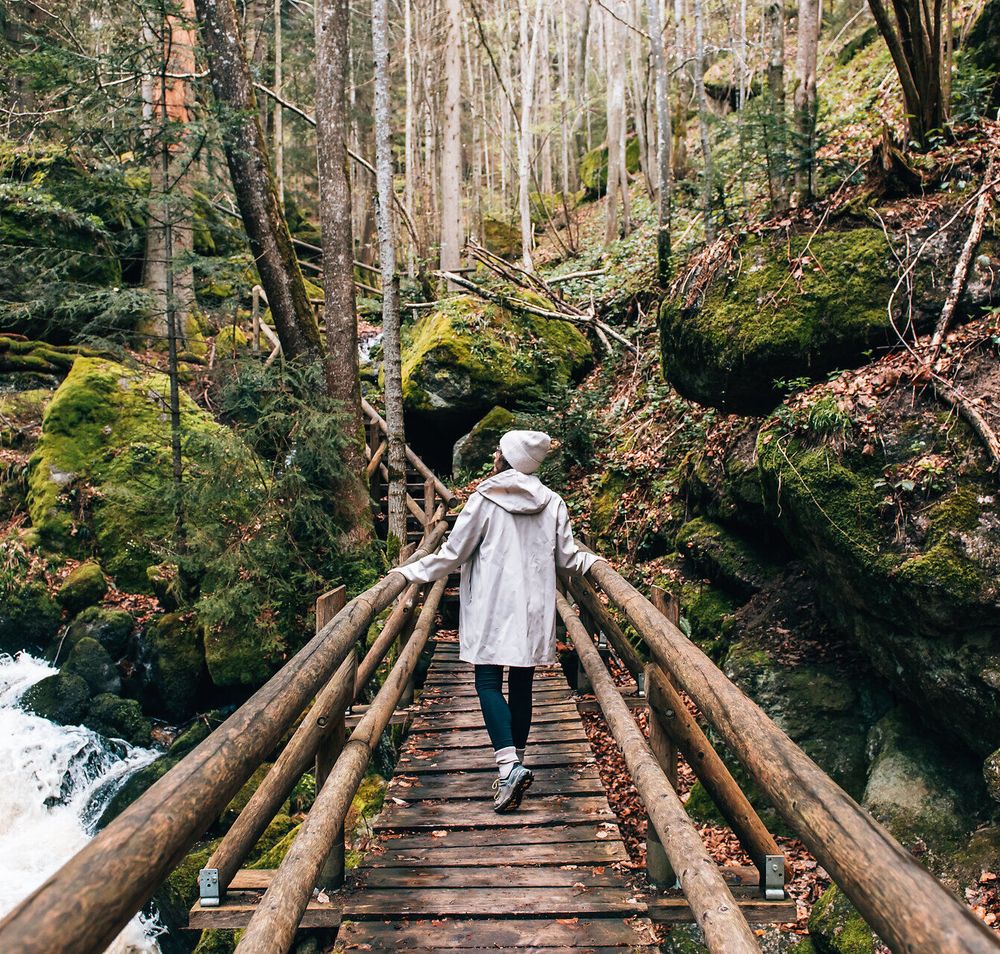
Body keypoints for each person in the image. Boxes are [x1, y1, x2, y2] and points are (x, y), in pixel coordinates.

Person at [389, 429, 604, 813]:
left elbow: (453, 554)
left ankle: (508, 767)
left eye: (498, 453)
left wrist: (410, 572)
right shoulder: (553, 502)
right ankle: (514, 766)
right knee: (522, 682)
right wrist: (596, 563)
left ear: (505, 459)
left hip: (491, 605)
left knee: (488, 680)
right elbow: (570, 558)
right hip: (532, 610)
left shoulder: (484, 499)